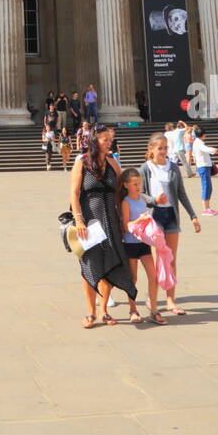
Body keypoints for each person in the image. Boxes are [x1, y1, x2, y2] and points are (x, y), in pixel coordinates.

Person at [69, 122, 136, 328]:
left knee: (109, 263)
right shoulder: (82, 162)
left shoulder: (113, 163)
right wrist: (78, 219)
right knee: (90, 264)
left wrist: (124, 219)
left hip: (110, 221)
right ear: (94, 140)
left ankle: (104, 310)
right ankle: (90, 312)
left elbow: (119, 192)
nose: (109, 143)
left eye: (110, 139)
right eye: (105, 139)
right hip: (89, 221)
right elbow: (74, 192)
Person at [139, 133, 201, 316]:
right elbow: (139, 193)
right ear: (151, 149)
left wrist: (193, 216)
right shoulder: (145, 168)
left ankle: (170, 300)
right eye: (160, 148)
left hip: (171, 216)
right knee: (158, 260)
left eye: (166, 148)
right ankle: (153, 297)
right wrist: (153, 199)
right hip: (154, 217)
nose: (164, 151)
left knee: (171, 259)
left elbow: (181, 194)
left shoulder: (173, 167)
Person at [120, 167, 163, 324]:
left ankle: (153, 309)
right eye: (134, 184)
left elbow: (154, 203)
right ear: (126, 185)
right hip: (130, 243)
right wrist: (139, 220)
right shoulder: (126, 202)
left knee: (154, 276)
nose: (138, 187)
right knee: (133, 278)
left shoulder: (143, 199)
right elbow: (126, 225)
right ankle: (133, 309)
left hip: (143, 242)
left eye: (139, 183)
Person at [191, 125, 218, 216]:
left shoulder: (198, 142)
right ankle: (205, 209)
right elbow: (204, 149)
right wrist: (212, 150)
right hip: (203, 166)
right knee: (206, 187)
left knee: (208, 187)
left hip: (204, 166)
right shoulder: (198, 143)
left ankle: (207, 207)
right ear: (202, 135)